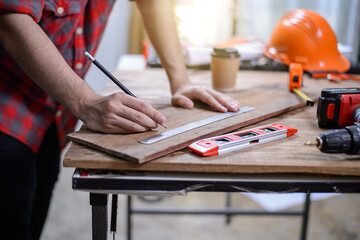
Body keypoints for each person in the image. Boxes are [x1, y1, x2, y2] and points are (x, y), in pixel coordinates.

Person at [0, 0, 240, 239]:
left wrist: (181, 81)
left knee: (31, 217)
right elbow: (11, 18)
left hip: (52, 109)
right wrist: (85, 101)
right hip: (6, 105)